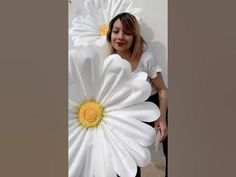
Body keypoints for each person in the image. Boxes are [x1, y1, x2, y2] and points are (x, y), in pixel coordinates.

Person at [106, 12, 168, 177]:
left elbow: (163, 89)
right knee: (127, 157)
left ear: (134, 37)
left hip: (154, 103)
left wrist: (161, 118)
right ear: (110, 34)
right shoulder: (110, 63)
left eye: (127, 32)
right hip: (129, 111)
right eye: (116, 31)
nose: (120, 36)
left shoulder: (146, 59)